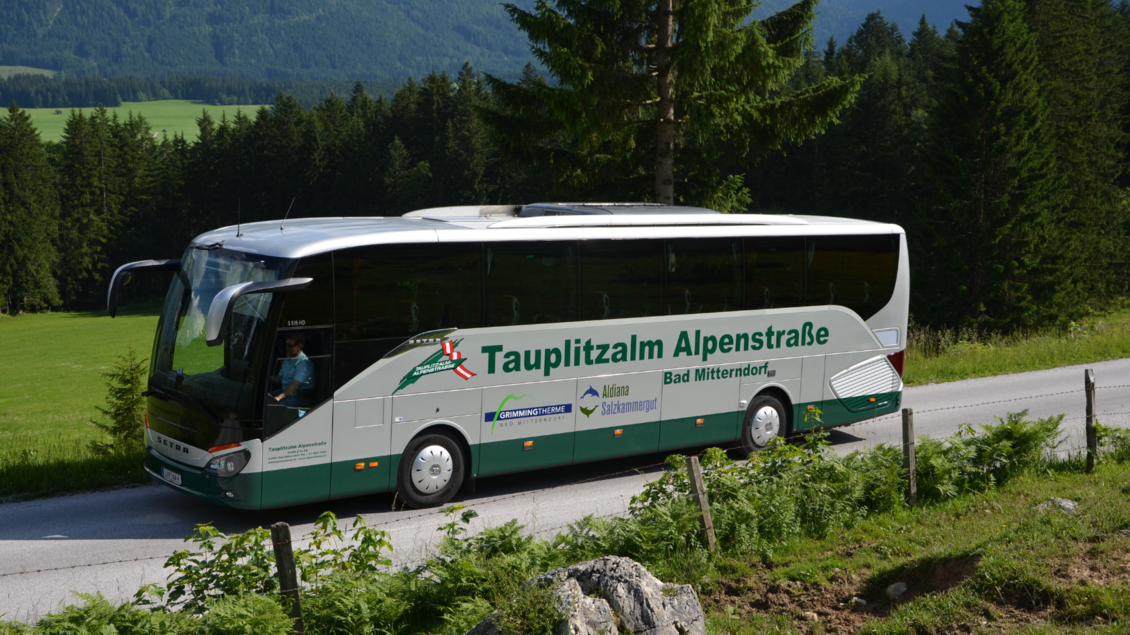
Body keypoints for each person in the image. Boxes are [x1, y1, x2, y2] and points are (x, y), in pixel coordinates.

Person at [269, 334, 315, 407]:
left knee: (271, 405)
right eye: (286, 345)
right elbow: (281, 378)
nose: (287, 347)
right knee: (264, 398)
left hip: (299, 395)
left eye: (290, 345)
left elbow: (295, 385)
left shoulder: (304, 363)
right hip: (286, 392)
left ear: (299, 346)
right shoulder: (287, 360)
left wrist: (278, 398)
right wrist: (268, 378)